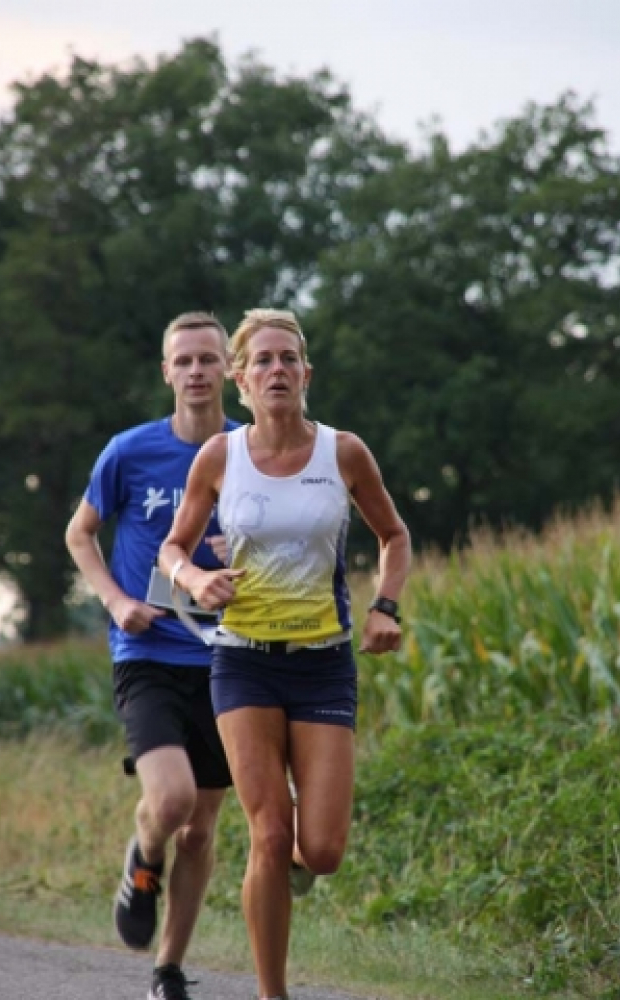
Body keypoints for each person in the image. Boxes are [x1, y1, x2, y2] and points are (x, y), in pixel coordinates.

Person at [158, 307, 412, 1000]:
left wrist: (385, 607)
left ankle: (300, 852)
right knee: (268, 834)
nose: (277, 370)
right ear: (240, 381)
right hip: (244, 663)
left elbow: (393, 535)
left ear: (306, 374)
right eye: (263, 360)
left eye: (288, 358)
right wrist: (194, 579)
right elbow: (173, 547)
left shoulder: (344, 453)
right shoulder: (220, 458)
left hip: (323, 663)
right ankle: (273, 994)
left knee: (320, 851)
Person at [64, 311, 239, 1000]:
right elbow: (80, 534)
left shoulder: (249, 452)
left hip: (229, 660)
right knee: (171, 800)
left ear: (228, 369)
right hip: (148, 654)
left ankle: (167, 970)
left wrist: (238, 552)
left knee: (200, 832)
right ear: (167, 371)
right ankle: (142, 858)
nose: (196, 371)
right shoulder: (130, 451)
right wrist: (115, 602)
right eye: (184, 361)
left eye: (208, 359)